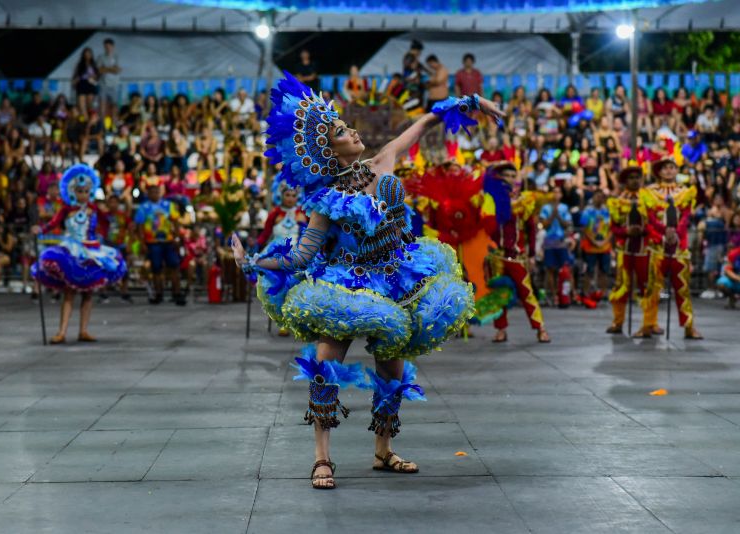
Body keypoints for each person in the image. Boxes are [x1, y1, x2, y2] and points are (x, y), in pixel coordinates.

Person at [231, 72, 500, 489]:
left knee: (392, 370)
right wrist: (255, 262)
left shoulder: (383, 162)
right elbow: (304, 254)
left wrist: (468, 102)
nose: (353, 131)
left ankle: (383, 450)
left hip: (397, 277)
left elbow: (424, 123)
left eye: (347, 126)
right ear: (327, 149)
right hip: (349, 285)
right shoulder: (325, 200)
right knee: (324, 366)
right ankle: (322, 459)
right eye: (341, 130)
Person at [31, 165, 127, 344]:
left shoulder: (94, 209)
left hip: (91, 250)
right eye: (80, 191)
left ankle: (83, 330)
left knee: (88, 293)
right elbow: (53, 223)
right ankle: (61, 332)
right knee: (69, 292)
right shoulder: (67, 209)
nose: (83, 194)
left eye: (86, 191)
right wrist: (41, 229)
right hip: (72, 250)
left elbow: (106, 225)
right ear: (73, 191)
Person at [478, 162, 550, 343]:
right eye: (505, 176)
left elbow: (531, 229)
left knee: (527, 293)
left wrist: (532, 254)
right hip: (497, 256)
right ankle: (501, 330)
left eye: (512, 176)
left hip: (518, 256)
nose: (509, 179)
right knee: (499, 295)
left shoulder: (523, 200)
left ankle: (540, 328)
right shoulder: (490, 199)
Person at [645, 158, 703, 339]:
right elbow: (651, 217)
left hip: (679, 246)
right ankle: (649, 324)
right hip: (657, 246)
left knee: (682, 287)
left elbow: (686, 216)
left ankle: (688, 326)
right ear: (659, 172)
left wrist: (676, 231)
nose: (669, 171)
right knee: (654, 287)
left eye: (672, 167)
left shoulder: (685, 192)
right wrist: (664, 231)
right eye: (666, 168)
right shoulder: (650, 192)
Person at [605, 166, 658, 336]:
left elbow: (656, 223)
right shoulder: (618, 200)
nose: (635, 180)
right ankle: (617, 321)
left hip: (645, 250)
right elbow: (614, 227)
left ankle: (649, 324)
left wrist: (644, 230)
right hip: (625, 250)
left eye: (638, 177)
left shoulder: (649, 198)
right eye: (632, 177)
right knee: (621, 286)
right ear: (625, 181)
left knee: (648, 286)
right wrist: (626, 232)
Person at [256, 179, 309, 336]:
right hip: (276, 254)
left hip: (298, 255)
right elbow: (265, 235)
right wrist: (254, 250)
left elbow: (310, 236)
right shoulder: (274, 214)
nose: (290, 198)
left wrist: (302, 225)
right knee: (279, 286)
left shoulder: (302, 214)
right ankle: (283, 321)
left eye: (293, 195)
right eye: (287, 194)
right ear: (282, 195)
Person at [134, 178, 185, 306]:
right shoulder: (143, 207)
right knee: (156, 269)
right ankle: (158, 294)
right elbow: (139, 226)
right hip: (153, 242)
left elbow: (176, 222)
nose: (155, 194)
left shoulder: (168, 205)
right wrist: (142, 243)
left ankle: (177, 293)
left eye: (157, 191)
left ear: (160, 192)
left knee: (174, 266)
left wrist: (177, 237)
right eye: (152, 192)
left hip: (168, 241)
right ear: (148, 193)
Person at [539, 185, 573, 306]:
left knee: (565, 268)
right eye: (554, 192)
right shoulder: (545, 208)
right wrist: (552, 214)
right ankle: (554, 295)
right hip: (549, 241)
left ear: (561, 195)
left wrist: (557, 215)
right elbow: (544, 225)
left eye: (558, 192)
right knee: (550, 269)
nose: (556, 194)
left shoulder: (564, 208)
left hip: (561, 241)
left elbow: (566, 224)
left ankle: (565, 294)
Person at [580, 189, 611, 300]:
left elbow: (611, 228)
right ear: (593, 198)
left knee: (605, 271)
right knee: (589, 271)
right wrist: (594, 241)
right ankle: (586, 293)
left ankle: (603, 293)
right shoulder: (587, 211)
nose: (599, 198)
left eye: (601, 196)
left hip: (605, 246)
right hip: (590, 247)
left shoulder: (607, 211)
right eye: (596, 196)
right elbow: (583, 228)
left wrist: (605, 241)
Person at [97, 38, 121, 122]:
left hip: (114, 84)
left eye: (109, 46)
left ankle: (114, 122)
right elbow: (99, 70)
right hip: (103, 84)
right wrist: (111, 69)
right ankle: (101, 123)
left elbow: (118, 70)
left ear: (112, 46)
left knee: (114, 105)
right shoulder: (101, 57)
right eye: (105, 47)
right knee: (102, 105)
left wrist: (106, 68)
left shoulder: (116, 56)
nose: (107, 48)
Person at [72, 47, 99, 115]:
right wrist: (75, 80)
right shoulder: (80, 64)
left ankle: (90, 119)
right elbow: (76, 75)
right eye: (86, 53)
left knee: (90, 104)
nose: (87, 55)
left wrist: (93, 77)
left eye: (89, 53)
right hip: (82, 83)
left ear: (91, 54)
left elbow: (97, 76)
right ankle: (85, 120)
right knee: (82, 104)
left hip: (90, 83)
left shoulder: (94, 64)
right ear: (83, 55)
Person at [717, 236, 740, 308]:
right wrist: (738, 278)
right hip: (736, 280)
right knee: (721, 283)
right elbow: (728, 270)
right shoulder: (734, 254)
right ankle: (732, 298)